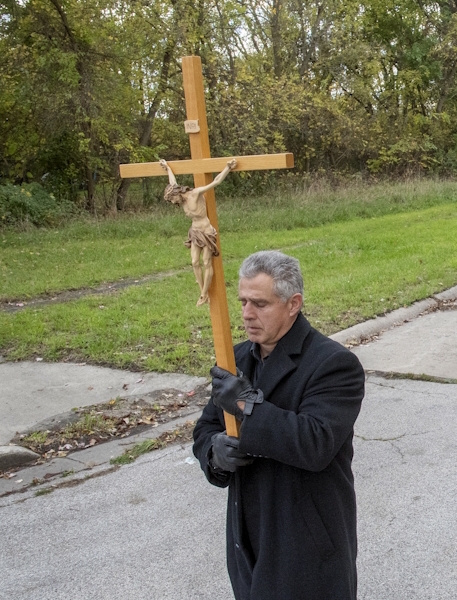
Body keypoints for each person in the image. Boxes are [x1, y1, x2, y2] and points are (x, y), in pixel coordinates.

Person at [192, 250, 366, 600]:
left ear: (293, 304)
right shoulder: (236, 358)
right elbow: (206, 428)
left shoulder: (334, 364)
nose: (246, 314)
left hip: (306, 545)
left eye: (260, 303)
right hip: (248, 539)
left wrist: (245, 404)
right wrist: (214, 453)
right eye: (242, 301)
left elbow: (315, 443)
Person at [160, 158, 237, 306]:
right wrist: (167, 167)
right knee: (195, 262)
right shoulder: (180, 199)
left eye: (172, 199)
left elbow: (215, 182)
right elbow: (172, 182)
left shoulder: (195, 194)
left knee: (206, 261)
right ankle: (203, 292)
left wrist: (227, 168)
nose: (173, 203)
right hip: (195, 231)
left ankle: (203, 293)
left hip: (206, 231)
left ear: (177, 194)